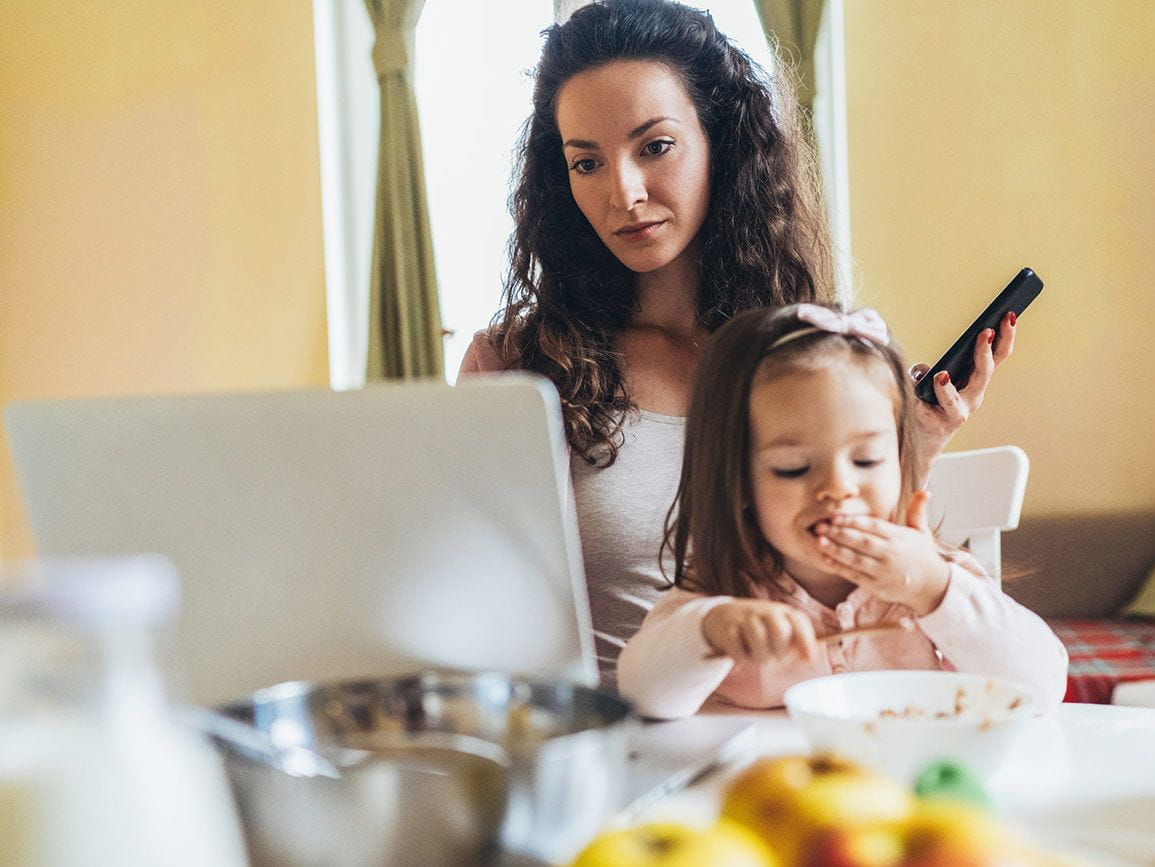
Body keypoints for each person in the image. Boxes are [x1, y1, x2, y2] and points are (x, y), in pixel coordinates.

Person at [458, 0, 1019, 687]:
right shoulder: (516, 365)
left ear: (719, 139)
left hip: (785, 728)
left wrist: (912, 452)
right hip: (615, 736)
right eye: (586, 163)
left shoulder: (806, 351)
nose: (622, 192)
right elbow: (477, 604)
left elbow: (828, 570)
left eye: (654, 147)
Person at [616, 303, 1068, 717]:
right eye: (793, 469)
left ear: (901, 459)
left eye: (867, 461)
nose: (836, 488)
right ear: (738, 481)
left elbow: (1043, 688)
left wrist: (936, 590)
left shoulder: (930, 578)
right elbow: (643, 696)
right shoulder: (728, 592)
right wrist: (710, 632)